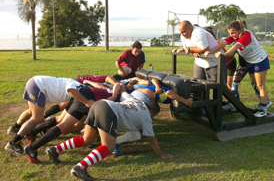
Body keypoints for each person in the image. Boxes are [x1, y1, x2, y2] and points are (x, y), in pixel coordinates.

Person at [45, 85, 173, 180]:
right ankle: (80, 168)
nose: (152, 119)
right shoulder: (146, 116)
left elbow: (124, 93)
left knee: (87, 139)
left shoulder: (137, 102)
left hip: (99, 104)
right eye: (153, 117)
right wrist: (161, 154)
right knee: (108, 146)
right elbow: (151, 138)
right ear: (151, 112)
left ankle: (54, 150)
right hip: (107, 110)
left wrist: (122, 87)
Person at [24, 81, 121, 163]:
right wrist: (114, 95)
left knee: (63, 125)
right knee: (64, 125)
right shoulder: (126, 94)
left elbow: (116, 85)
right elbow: (117, 87)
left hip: (86, 93)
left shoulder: (109, 89)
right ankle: (32, 146)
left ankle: (33, 146)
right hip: (90, 98)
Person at [5, 76, 94, 156]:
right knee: (37, 118)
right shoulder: (76, 86)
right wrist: (86, 102)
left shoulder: (77, 90)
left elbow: (61, 106)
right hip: (38, 86)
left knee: (33, 113)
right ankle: (13, 142)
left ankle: (15, 129)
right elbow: (70, 90)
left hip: (36, 83)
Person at [204, 19, 272, 117]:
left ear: (239, 30)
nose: (231, 35)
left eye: (232, 33)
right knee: (254, 84)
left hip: (260, 60)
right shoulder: (234, 36)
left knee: (260, 85)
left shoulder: (246, 35)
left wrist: (224, 54)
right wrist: (211, 52)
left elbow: (236, 47)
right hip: (249, 62)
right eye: (230, 33)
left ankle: (263, 108)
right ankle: (266, 101)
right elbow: (223, 43)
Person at [205, 26, 236, 90]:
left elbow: (227, 53)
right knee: (222, 83)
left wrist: (223, 54)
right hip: (221, 64)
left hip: (229, 62)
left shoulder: (217, 42)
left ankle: (232, 98)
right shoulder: (205, 44)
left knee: (229, 84)